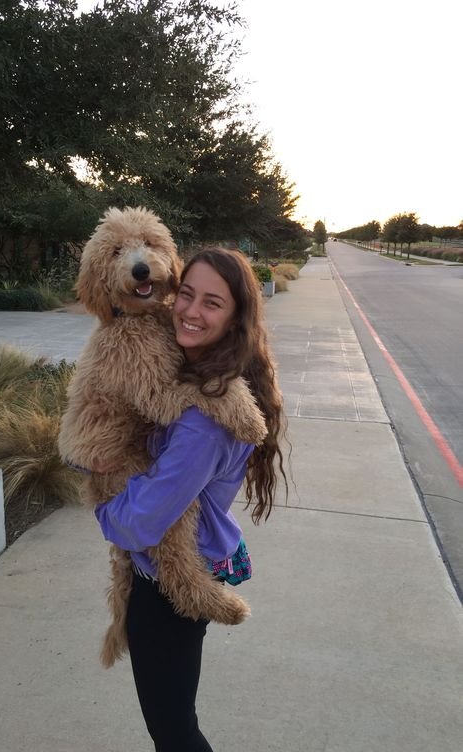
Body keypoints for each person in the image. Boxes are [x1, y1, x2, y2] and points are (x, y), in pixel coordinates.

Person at [95, 247, 286, 752]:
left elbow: (141, 523)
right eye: (187, 294)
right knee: (176, 720)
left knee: (174, 731)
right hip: (169, 577)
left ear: (234, 319)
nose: (190, 311)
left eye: (212, 303)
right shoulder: (198, 377)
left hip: (166, 589)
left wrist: (101, 503)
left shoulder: (205, 420)